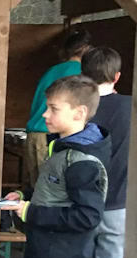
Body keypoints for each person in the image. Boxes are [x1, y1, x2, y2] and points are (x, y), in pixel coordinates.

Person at [2, 75, 110, 258]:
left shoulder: (82, 161)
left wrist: (30, 212)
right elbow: (55, 188)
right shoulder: (61, 149)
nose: (44, 114)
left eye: (54, 109)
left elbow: (87, 217)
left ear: (79, 113)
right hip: (45, 257)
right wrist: (24, 195)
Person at [82, 47, 130, 258]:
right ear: (117, 76)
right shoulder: (132, 108)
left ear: (82, 76)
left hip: (80, 203)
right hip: (119, 202)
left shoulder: (76, 110)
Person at [25, 28, 92, 189]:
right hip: (50, 136)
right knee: (50, 191)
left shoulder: (52, 70)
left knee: (36, 189)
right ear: (84, 48)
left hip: (34, 135)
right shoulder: (80, 73)